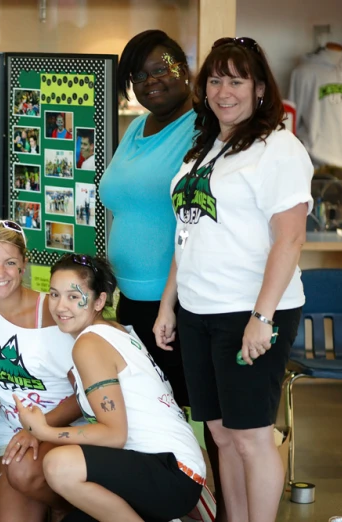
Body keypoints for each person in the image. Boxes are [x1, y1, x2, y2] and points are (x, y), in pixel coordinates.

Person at [154, 37, 313, 522]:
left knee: (251, 435)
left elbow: (290, 240)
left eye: (236, 80)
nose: (224, 91)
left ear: (260, 88)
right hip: (199, 310)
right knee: (220, 433)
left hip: (250, 312)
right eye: (215, 80)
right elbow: (189, 234)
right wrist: (168, 305)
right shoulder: (206, 148)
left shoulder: (278, 148)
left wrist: (262, 318)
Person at [96, 29, 228, 516]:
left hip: (177, 302)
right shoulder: (137, 129)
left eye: (161, 69)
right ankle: (168, 504)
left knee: (205, 415)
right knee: (149, 412)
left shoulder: (202, 127)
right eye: (138, 74)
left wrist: (168, 302)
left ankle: (225, 506)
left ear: (185, 69)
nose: (149, 81)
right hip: (131, 300)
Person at [16, 254, 205, 522]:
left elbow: (114, 434)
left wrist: (45, 431)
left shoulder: (89, 344)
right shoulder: (117, 330)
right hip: (170, 471)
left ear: (100, 301)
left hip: (172, 473)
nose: (60, 306)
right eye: (54, 294)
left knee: (59, 466)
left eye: (73, 296)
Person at [0, 220, 83, 522]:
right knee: (17, 480)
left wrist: (38, 430)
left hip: (64, 427)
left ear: (24, 264)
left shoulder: (53, 313)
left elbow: (85, 396)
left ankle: (72, 503)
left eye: (10, 262)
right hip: (13, 429)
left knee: (24, 472)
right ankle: (60, 499)